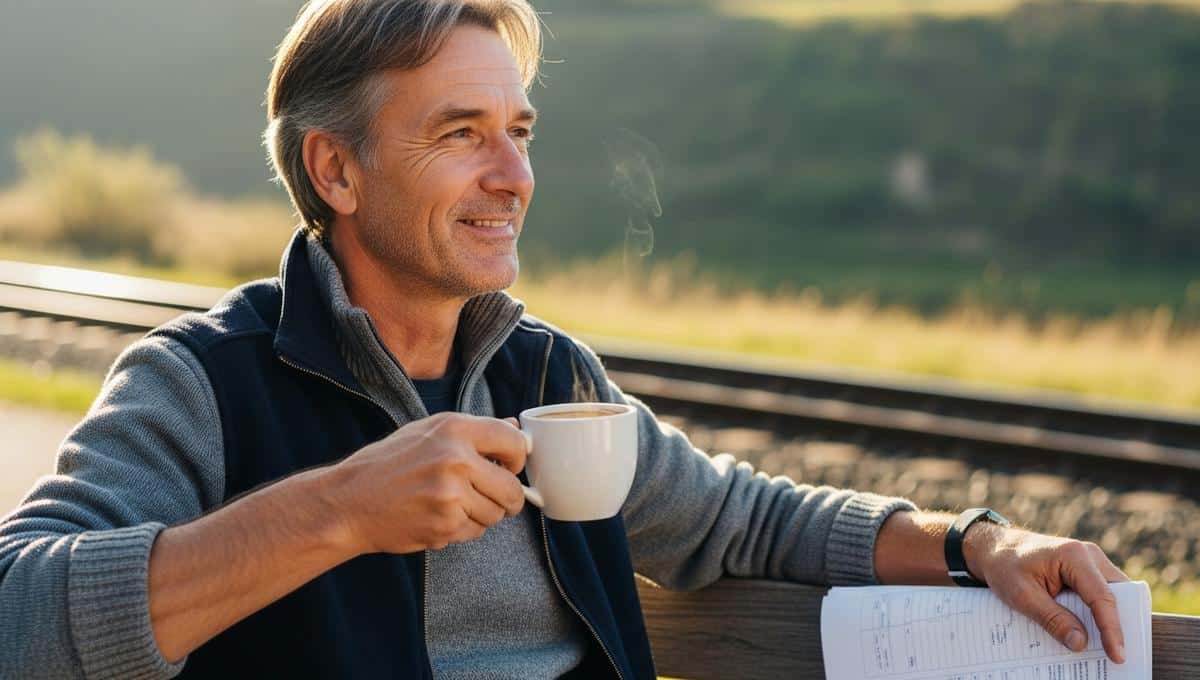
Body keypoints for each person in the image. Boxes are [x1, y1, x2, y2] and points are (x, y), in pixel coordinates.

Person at [0, 1, 1130, 678]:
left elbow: (746, 518)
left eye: (519, 132)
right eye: (460, 135)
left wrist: (979, 541)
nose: (515, 177)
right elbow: (17, 614)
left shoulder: (546, 374)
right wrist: (337, 509)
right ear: (334, 169)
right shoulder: (199, 382)